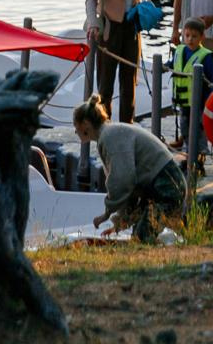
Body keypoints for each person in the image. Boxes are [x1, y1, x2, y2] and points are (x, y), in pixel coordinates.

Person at [73, 98, 186, 242]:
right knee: (139, 233)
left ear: (85, 124)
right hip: (157, 186)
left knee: (141, 238)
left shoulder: (109, 136)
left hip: (167, 186)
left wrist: (107, 213)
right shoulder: (109, 134)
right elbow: (130, 188)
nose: (75, 131)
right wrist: (121, 222)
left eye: (75, 125)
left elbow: (123, 180)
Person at [86, 0, 151, 121]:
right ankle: (104, 126)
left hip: (132, 28)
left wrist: (143, 4)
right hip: (110, 28)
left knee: (129, 82)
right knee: (105, 84)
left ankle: (126, 125)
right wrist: (93, 22)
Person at [170, 17, 213, 150]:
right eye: (187, 36)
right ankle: (189, 152)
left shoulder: (206, 56)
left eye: (194, 36)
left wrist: (212, 97)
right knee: (184, 126)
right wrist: (163, 67)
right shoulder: (179, 50)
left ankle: (201, 154)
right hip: (184, 101)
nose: (190, 39)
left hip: (199, 101)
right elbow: (172, 63)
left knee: (198, 128)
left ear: (202, 37)